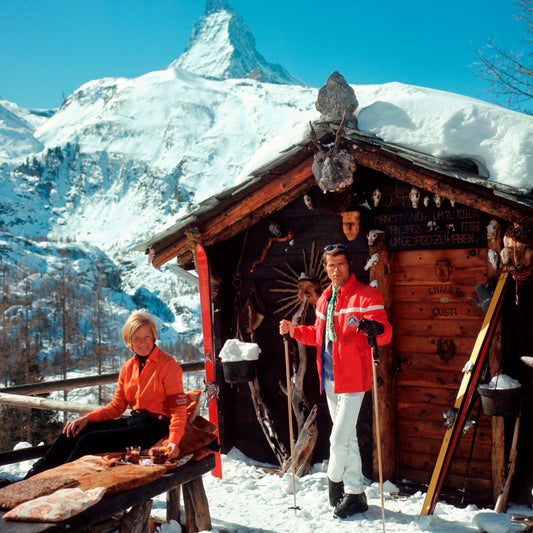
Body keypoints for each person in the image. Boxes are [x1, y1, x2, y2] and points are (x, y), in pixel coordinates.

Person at [279, 243, 392, 519]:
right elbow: (319, 335)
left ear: (348, 264)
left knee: (338, 439)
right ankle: (356, 494)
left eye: (340, 264)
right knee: (349, 438)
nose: (336, 269)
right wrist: (294, 331)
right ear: (326, 269)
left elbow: (385, 331)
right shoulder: (324, 299)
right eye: (331, 265)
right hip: (329, 378)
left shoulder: (366, 296)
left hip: (354, 380)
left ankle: (334, 479)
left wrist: (374, 329)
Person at [25, 310, 188, 478]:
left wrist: (173, 441)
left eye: (147, 336)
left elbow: (179, 409)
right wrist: (87, 418)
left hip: (153, 428)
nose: (143, 342)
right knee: (75, 431)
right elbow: (116, 407)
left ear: (154, 337)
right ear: (129, 341)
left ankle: (59, 480)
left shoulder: (168, 365)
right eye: (136, 338)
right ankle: (32, 475)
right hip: (134, 422)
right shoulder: (127, 368)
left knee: (89, 441)